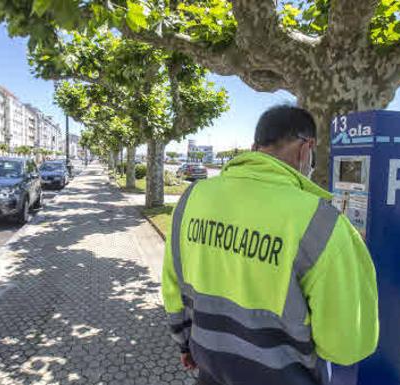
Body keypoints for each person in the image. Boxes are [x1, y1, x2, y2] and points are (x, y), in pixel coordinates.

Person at [162, 105, 379, 385]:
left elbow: (172, 286)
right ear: (307, 149)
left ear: (254, 147)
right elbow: (347, 346)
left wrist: (184, 343)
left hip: (210, 367)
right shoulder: (323, 223)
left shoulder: (192, 198)